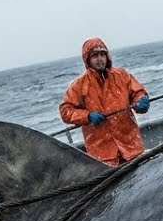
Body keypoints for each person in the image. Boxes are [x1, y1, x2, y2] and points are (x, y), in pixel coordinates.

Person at [59, 37, 151, 166]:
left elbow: (138, 92)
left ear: (107, 56)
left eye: (102, 54)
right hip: (103, 155)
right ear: (87, 59)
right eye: (95, 56)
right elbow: (66, 111)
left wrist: (141, 101)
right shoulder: (78, 85)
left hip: (132, 146)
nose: (100, 59)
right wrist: (87, 116)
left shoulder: (122, 75)